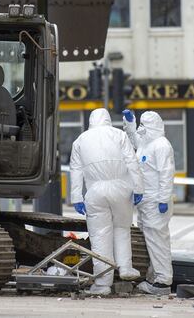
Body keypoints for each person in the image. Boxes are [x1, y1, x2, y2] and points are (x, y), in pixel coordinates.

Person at [69, 108, 144, 295]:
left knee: (100, 236)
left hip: (95, 191)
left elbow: (76, 170)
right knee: (121, 229)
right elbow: (132, 162)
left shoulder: (80, 140)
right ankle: (125, 268)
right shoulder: (119, 135)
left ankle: (102, 284)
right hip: (121, 188)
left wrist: (76, 197)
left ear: (91, 120)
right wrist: (139, 188)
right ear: (108, 119)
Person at [122, 110, 175, 296]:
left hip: (156, 202)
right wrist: (130, 123)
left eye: (144, 125)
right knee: (149, 240)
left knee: (157, 241)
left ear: (153, 126)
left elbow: (166, 173)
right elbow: (135, 140)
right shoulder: (147, 144)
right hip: (146, 201)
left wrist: (163, 199)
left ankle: (163, 282)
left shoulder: (161, 145)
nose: (141, 129)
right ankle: (153, 278)